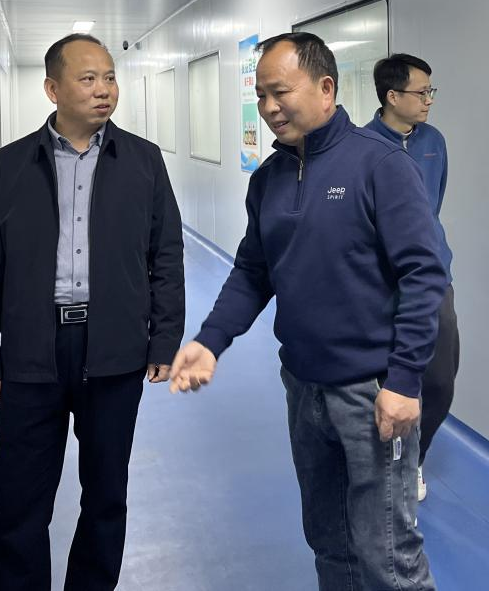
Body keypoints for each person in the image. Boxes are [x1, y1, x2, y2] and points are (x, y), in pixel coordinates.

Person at [170, 32, 448, 591]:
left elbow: (424, 275)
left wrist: (403, 379)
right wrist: (210, 339)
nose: (270, 108)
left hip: (372, 391)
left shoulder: (380, 165)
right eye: (261, 96)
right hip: (303, 387)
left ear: (325, 88)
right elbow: (254, 271)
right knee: (329, 542)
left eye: (281, 92)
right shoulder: (268, 180)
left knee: (388, 555)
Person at [0, 33, 185, 591]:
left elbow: (166, 254)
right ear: (52, 89)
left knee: (106, 496)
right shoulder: (9, 165)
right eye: (88, 79)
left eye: (109, 77)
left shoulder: (143, 161)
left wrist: (164, 339)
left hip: (113, 350)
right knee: (19, 502)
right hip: (30, 355)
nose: (104, 89)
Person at [367, 53, 459, 502]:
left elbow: (433, 202)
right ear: (392, 96)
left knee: (439, 380)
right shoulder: (362, 145)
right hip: (379, 283)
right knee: (383, 380)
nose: (429, 100)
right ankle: (390, 467)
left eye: (430, 91)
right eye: (422, 92)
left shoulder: (434, 141)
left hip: (431, 276)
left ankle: (415, 457)